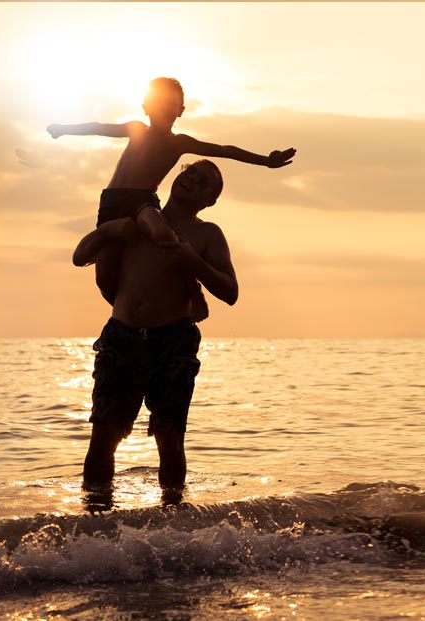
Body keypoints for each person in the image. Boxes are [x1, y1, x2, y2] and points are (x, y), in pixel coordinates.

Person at [49, 77, 292, 321]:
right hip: (112, 204)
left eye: (170, 103)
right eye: (157, 101)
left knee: (163, 235)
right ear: (145, 105)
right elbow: (97, 126)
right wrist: (64, 129)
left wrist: (265, 161)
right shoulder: (135, 129)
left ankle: (193, 290)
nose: (163, 107)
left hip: (142, 201)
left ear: (181, 111)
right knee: (104, 276)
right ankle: (128, 316)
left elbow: (224, 150)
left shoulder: (178, 143)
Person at [71, 160, 238, 512]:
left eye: (205, 181)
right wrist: (109, 230)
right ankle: (95, 525)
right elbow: (79, 256)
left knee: (169, 437)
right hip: (122, 336)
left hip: (173, 340)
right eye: (191, 172)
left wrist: (195, 262)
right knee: (103, 437)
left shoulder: (207, 233)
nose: (193, 179)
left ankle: (172, 521)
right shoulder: (140, 216)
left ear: (210, 200)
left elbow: (230, 291)